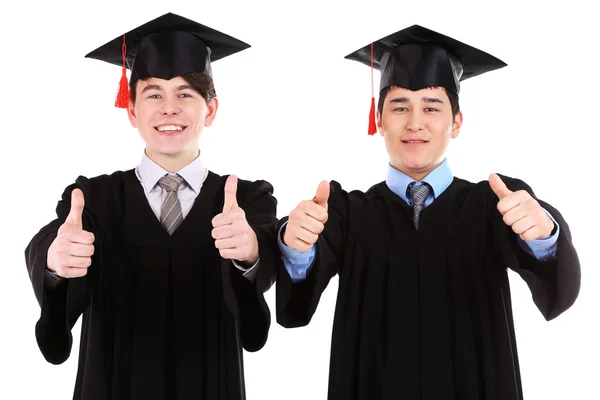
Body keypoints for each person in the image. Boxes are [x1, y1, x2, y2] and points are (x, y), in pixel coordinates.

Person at [275, 24, 581, 400]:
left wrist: (544, 237)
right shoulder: (346, 214)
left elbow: (559, 290)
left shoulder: (493, 205)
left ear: (456, 122)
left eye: (431, 108)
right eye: (400, 107)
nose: (414, 122)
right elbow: (296, 303)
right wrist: (296, 247)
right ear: (379, 120)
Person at [24, 12, 280, 400]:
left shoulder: (245, 201)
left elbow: (254, 333)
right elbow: (54, 336)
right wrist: (54, 265)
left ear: (210, 110)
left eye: (185, 94)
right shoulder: (92, 200)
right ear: (132, 110)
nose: (169, 108)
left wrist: (250, 256)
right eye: (154, 94)